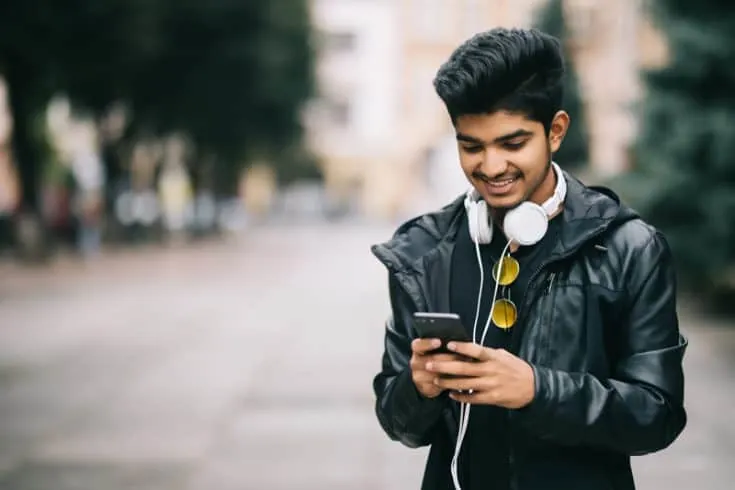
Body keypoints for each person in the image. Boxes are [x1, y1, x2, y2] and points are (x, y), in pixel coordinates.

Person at [370, 27, 687, 490]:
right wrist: (417, 388)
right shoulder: (422, 251)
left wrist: (539, 391)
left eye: (512, 144)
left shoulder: (629, 248)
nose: (491, 167)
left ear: (555, 131)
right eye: (471, 146)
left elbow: (657, 415)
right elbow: (399, 423)